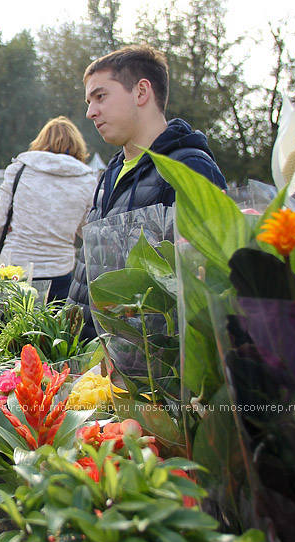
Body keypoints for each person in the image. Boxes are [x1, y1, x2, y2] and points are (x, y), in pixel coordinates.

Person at [69, 44, 227, 340]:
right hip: (88, 364)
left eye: (100, 96)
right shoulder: (112, 172)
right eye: (89, 101)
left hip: (146, 373)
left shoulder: (189, 168)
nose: (91, 112)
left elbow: (209, 287)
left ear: (141, 92)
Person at [0, 116, 98, 302]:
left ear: (41, 141)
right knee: (53, 329)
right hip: (59, 271)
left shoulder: (19, 169)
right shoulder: (87, 179)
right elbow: (87, 231)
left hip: (16, 267)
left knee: (11, 328)